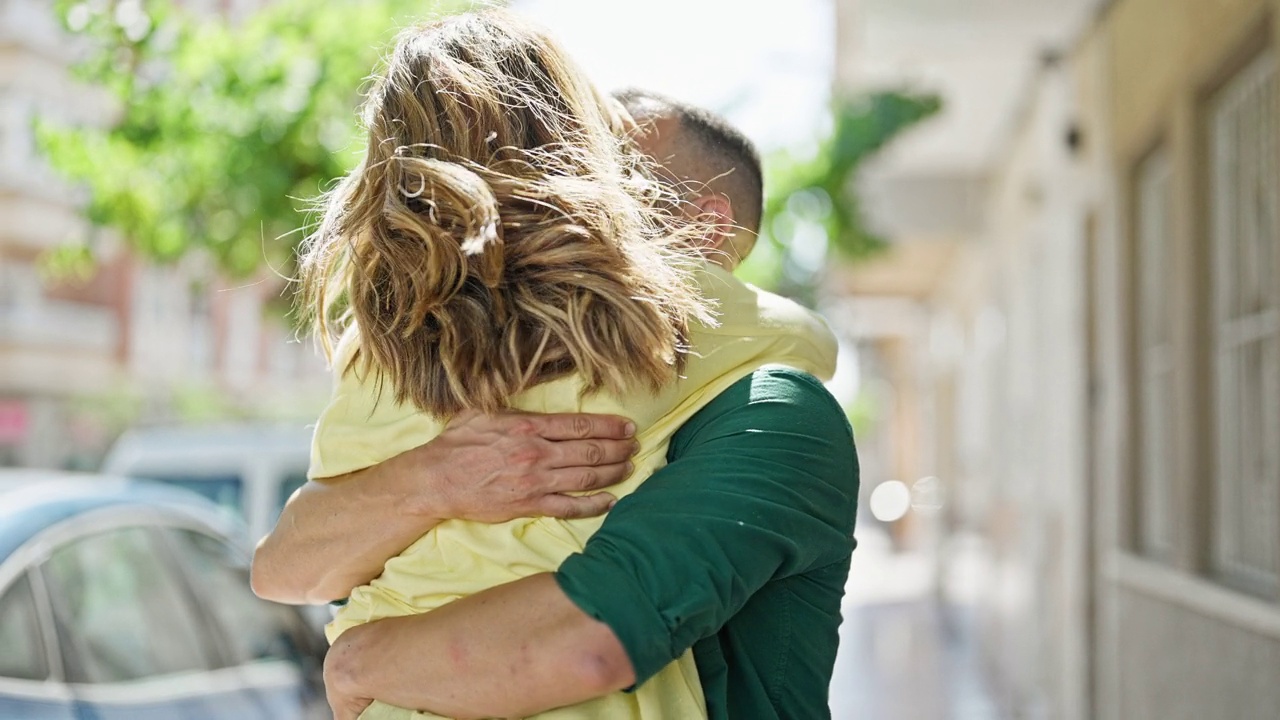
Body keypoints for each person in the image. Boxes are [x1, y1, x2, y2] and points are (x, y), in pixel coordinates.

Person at [273, 10, 841, 720]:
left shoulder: (377, 342)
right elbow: (284, 565)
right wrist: (435, 478)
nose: (604, 192)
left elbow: (582, 640)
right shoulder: (657, 329)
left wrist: (360, 662)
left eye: (629, 177)